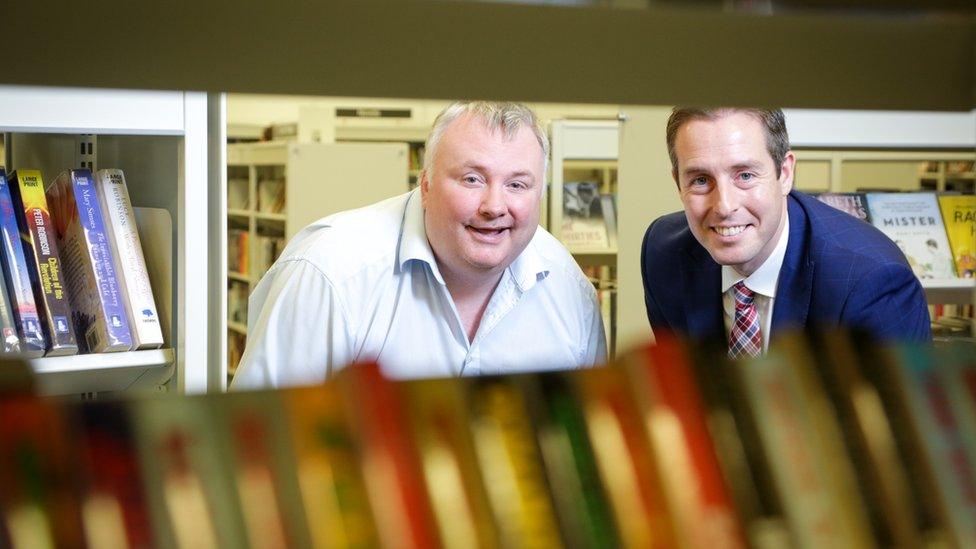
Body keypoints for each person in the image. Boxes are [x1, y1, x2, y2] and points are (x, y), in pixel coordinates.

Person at [232, 101, 606, 389]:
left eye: (518, 185)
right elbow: (254, 448)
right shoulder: (329, 275)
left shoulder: (568, 288)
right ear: (425, 184)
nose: (494, 206)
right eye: (472, 179)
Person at [641, 107, 930, 357]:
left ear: (785, 174)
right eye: (701, 180)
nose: (725, 206)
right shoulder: (664, 255)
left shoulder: (870, 282)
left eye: (745, 175)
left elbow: (901, 419)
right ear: (678, 183)